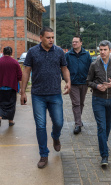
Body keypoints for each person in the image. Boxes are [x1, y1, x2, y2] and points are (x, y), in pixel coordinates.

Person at [20, 27, 71, 169]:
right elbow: (26, 71)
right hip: (38, 96)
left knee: (59, 122)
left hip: (55, 94)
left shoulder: (59, 52)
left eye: (52, 37)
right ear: (40, 37)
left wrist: (68, 81)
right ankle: (43, 154)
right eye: (48, 37)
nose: (51, 40)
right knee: (40, 126)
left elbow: (64, 69)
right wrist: (23, 92)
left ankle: (55, 136)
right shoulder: (32, 52)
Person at [87, 40, 111, 166]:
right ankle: (104, 155)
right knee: (101, 127)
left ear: (110, 50)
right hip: (98, 100)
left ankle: (103, 143)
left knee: (108, 126)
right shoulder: (94, 65)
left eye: (105, 50)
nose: (102, 52)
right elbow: (88, 81)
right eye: (100, 50)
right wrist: (97, 86)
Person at [65, 35, 92, 134]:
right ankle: (77, 124)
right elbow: (63, 68)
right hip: (73, 83)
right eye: (73, 42)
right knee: (76, 103)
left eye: (76, 42)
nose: (74, 43)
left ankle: (79, 120)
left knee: (81, 103)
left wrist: (90, 81)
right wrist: (66, 80)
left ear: (81, 43)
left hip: (84, 83)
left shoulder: (86, 55)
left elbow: (91, 68)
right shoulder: (68, 55)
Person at [0, 46, 22, 127]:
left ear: (3, 52)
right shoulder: (15, 62)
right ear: (11, 53)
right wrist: (22, 89)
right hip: (11, 87)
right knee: (11, 104)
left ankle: (0, 116)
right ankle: (10, 120)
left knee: (1, 103)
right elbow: (20, 76)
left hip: (0, 87)